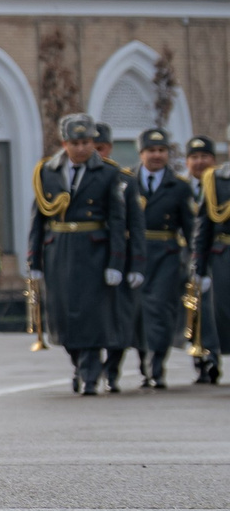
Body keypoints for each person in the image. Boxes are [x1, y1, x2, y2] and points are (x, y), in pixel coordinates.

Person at [27, 113, 132, 396]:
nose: (82, 148)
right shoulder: (47, 172)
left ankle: (89, 374)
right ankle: (80, 364)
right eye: (76, 142)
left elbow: (118, 220)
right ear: (65, 143)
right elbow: (38, 220)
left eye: (87, 142)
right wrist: (33, 261)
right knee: (63, 317)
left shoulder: (108, 173)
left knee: (91, 315)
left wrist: (116, 262)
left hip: (94, 250)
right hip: (58, 250)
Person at [131, 128, 196, 387]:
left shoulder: (179, 187)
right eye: (151, 151)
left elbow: (191, 228)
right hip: (135, 255)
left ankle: (157, 365)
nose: (156, 156)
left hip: (167, 256)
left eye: (161, 151)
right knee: (137, 313)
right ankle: (144, 360)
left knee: (160, 311)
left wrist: (195, 261)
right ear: (141, 153)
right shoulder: (128, 183)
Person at [93, 121, 144, 393]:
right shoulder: (73, 177)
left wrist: (136, 264)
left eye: (100, 148)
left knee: (119, 319)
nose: (96, 153)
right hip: (89, 260)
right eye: (92, 147)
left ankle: (112, 370)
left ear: (109, 148)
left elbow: (135, 225)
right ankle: (87, 368)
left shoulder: (124, 179)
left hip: (119, 259)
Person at [192, 137, 227, 385]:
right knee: (223, 311)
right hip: (224, 253)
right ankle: (215, 357)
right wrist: (199, 268)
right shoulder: (216, 179)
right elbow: (204, 226)